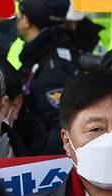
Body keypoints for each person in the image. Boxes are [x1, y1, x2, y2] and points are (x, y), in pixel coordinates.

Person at [16, 0, 81, 154]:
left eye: (20, 16)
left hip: (44, 165)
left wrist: (41, 166)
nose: (17, 21)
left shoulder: (52, 66)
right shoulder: (50, 53)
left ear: (26, 21)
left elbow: (61, 124)